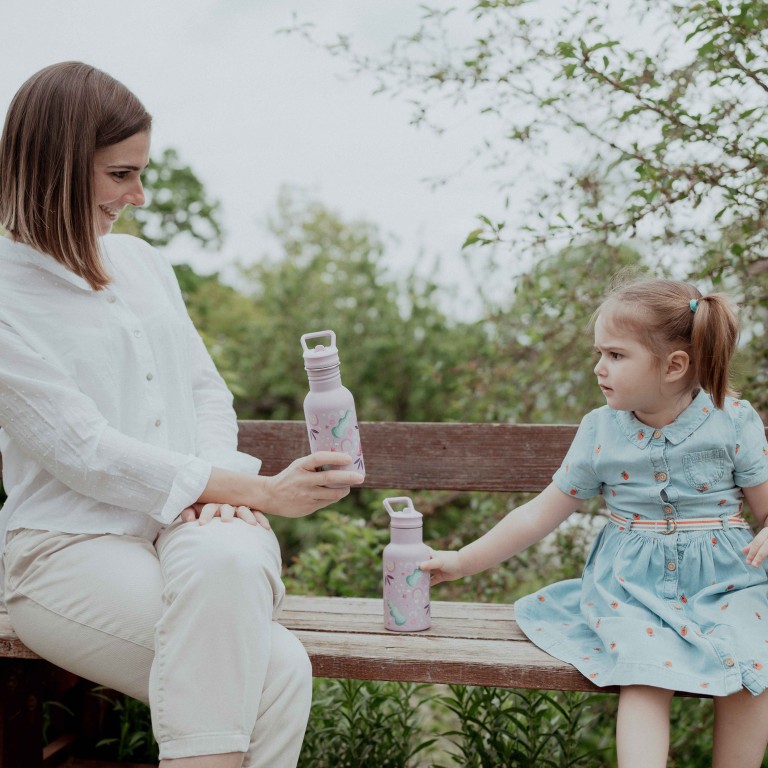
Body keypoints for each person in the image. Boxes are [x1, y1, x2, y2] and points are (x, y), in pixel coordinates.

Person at [0, 61, 363, 768]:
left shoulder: (142, 262)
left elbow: (205, 393)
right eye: (120, 174)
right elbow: (84, 450)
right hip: (68, 550)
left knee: (232, 559)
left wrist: (219, 494)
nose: (138, 195)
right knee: (277, 672)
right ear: (55, 167)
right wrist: (256, 492)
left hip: (190, 527)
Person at [421, 277, 768, 768]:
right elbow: (540, 513)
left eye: (616, 356)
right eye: (598, 353)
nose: (598, 368)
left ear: (674, 366)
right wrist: (462, 560)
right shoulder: (600, 430)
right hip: (633, 589)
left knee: (755, 666)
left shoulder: (732, 420)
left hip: (727, 583)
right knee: (645, 673)